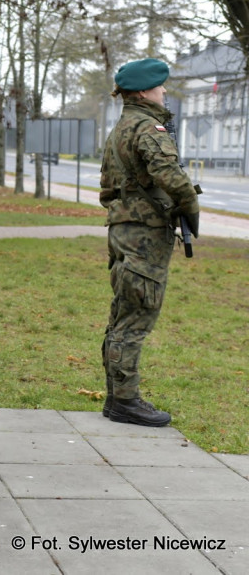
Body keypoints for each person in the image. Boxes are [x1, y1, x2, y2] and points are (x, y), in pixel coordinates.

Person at [98, 58, 200, 427]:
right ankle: (125, 401)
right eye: (160, 87)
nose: (164, 92)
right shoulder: (149, 127)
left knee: (122, 314)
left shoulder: (121, 128)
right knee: (137, 317)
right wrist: (190, 205)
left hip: (123, 230)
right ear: (143, 91)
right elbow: (169, 175)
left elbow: (109, 186)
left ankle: (115, 398)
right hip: (144, 235)